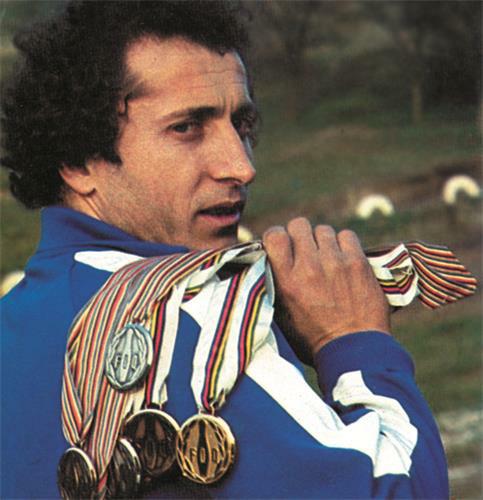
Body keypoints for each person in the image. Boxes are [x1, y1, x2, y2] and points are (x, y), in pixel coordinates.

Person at [1, 1, 448, 498]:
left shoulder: (10, 325)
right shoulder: (202, 316)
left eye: (242, 125)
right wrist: (353, 341)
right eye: (187, 128)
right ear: (79, 162)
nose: (241, 166)